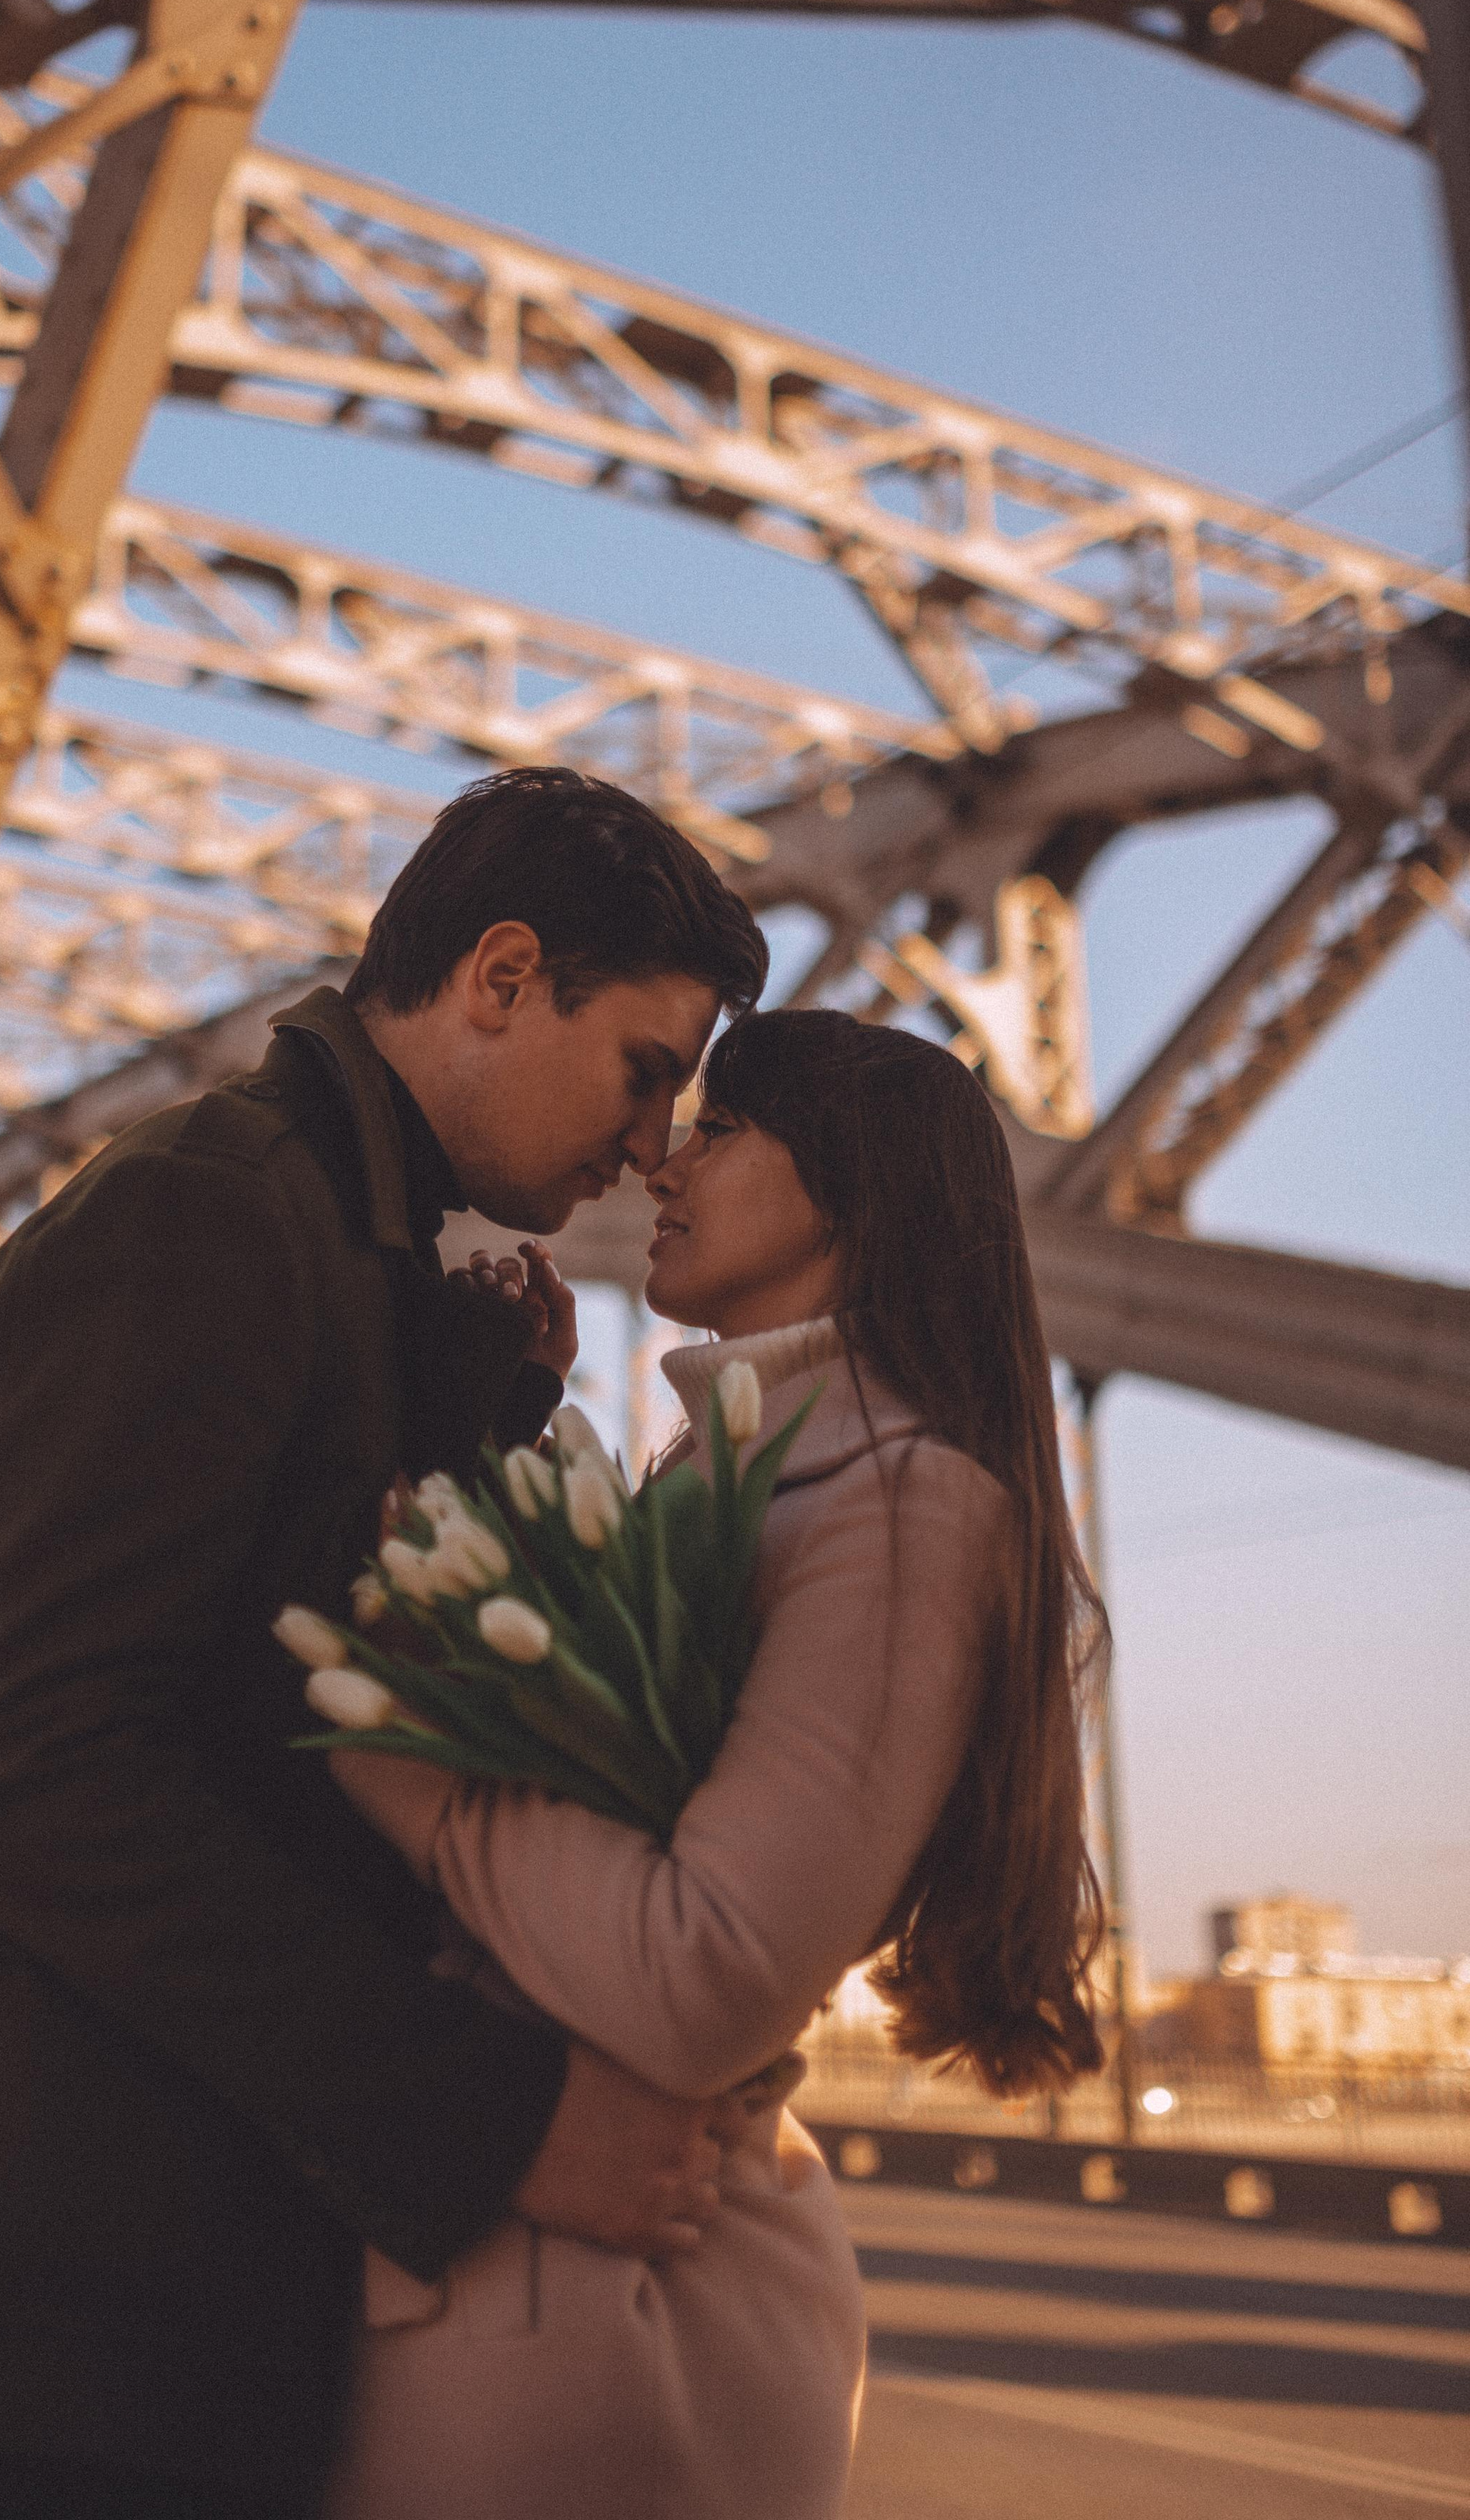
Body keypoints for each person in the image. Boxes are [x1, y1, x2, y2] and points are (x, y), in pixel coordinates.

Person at [0, 768, 768, 2520]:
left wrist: (474, 1407)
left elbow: (252, 1658)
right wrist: (496, 2118)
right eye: (644, 1070)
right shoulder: (204, 1215)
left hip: (98, 2305)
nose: (653, 1143)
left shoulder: (318, 1237)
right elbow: (35, 1770)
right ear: (502, 977)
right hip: (29, 2336)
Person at [329, 1003, 1110, 2520]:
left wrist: (388, 1737)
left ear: (852, 1193)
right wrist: (490, 1430)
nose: (661, 1161)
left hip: (618, 2334)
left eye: (725, 1127)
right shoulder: (742, 1470)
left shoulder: (899, 1500)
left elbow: (700, 1974)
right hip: (525, 2281)